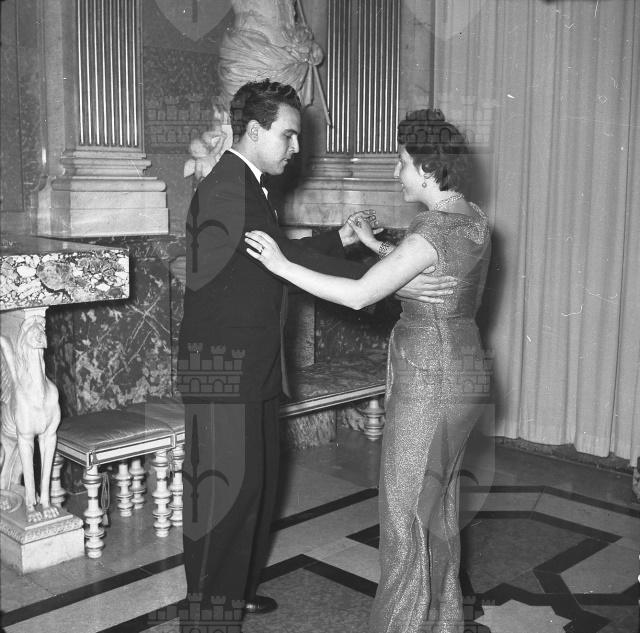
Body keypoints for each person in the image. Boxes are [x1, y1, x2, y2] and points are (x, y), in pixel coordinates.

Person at [177, 81, 457, 626]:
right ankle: (208, 618)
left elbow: (281, 254)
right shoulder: (227, 188)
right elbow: (282, 262)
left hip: (249, 367)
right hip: (223, 372)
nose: (296, 147)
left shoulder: (248, 185)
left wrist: (342, 242)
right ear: (253, 130)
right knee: (220, 505)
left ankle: (232, 594)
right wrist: (388, 276)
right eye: (288, 135)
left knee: (252, 491)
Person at [245, 108, 491, 633]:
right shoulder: (470, 217)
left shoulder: (432, 228)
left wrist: (281, 265)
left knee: (404, 515)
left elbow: (361, 295)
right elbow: (422, 268)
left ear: (427, 169)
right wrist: (377, 245)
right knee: (439, 508)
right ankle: (442, 623)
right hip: (464, 369)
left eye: (402, 163)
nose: (397, 173)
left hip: (429, 377)